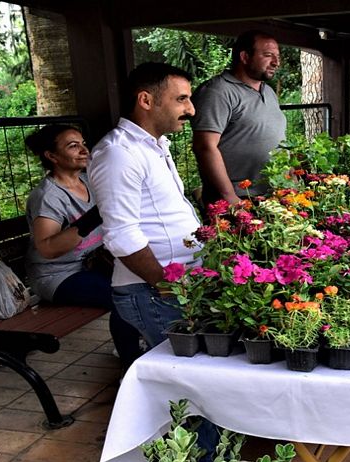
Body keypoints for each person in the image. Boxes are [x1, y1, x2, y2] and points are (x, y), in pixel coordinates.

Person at [89, 63, 203, 348]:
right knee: (178, 380)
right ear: (146, 100)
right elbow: (121, 234)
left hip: (171, 286)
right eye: (181, 99)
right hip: (152, 290)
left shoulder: (153, 145)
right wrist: (166, 286)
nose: (191, 110)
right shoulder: (118, 153)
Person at [24, 124, 142, 371]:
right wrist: (93, 218)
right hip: (58, 275)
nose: (83, 150)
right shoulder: (48, 196)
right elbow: (47, 248)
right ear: (52, 156)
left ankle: (139, 344)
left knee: (141, 280)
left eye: (82, 143)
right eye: (72, 145)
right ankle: (131, 365)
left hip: (93, 263)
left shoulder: (89, 180)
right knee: (122, 294)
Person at [192, 30, 286, 205]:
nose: (276, 62)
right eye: (268, 55)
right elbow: (205, 147)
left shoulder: (268, 91)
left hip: (273, 194)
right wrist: (230, 199)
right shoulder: (217, 92)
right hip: (238, 199)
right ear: (244, 56)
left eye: (277, 56)